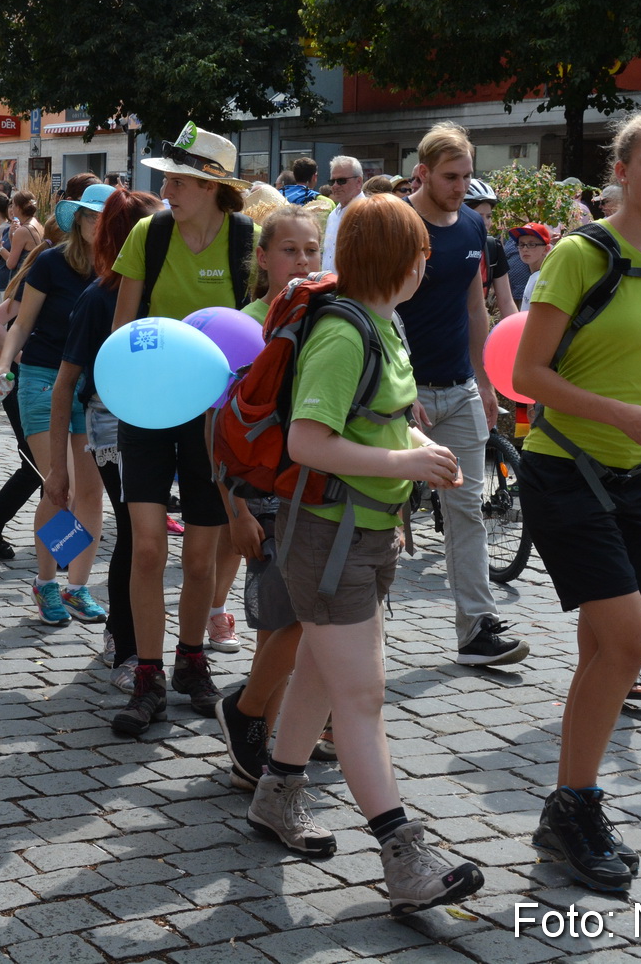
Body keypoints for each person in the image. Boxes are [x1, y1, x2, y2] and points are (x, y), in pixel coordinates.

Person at [244, 193, 484, 916]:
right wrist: (409, 464)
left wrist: (418, 447)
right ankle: (402, 851)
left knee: (322, 670)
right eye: (420, 252)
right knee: (362, 695)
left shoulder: (381, 323)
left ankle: (275, 795)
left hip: (361, 532)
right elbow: (308, 441)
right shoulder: (347, 334)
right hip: (328, 535)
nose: (427, 262)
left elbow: (369, 425)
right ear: (398, 261)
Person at [512, 109, 641, 893]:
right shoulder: (579, 252)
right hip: (565, 469)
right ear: (624, 171)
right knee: (631, 647)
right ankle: (579, 801)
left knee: (604, 650)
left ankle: (569, 810)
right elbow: (529, 375)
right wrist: (624, 414)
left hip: (638, 475)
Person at [107, 123, 255, 734]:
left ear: (212, 186)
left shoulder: (249, 240)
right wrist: (114, 394)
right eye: (166, 177)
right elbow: (124, 326)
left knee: (200, 557)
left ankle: (191, 661)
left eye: (178, 179)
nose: (165, 188)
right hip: (146, 405)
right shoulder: (151, 232)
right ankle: (147, 675)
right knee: (146, 545)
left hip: (216, 413)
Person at [395, 124, 527, 668]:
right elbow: (378, 308)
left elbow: (477, 309)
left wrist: (487, 381)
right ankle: (355, 635)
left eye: (469, 175)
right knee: (375, 517)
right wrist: (399, 389)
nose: (462, 186)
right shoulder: (398, 224)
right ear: (422, 173)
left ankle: (476, 628)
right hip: (401, 393)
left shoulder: (473, 223)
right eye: (451, 177)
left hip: (460, 389)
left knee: (467, 508)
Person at [215, 202, 322, 783]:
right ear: (262, 257)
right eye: (290, 250)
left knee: (308, 629)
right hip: (263, 496)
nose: (302, 261)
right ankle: (252, 742)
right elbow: (220, 433)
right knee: (279, 628)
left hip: (318, 492)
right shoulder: (246, 326)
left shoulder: (326, 317)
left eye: (311, 250)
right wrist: (235, 511)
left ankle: (280, 736)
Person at [43, 188, 164, 689]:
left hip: (150, 416)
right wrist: (55, 467)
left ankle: (71, 584)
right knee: (78, 504)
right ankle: (49, 581)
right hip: (90, 412)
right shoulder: (85, 286)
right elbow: (60, 379)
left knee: (114, 515)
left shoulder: (159, 288)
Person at [0, 184, 109, 627]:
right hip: (42, 380)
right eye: (92, 216)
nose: (100, 224)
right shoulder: (53, 261)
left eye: (107, 216)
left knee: (92, 493)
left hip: (94, 387)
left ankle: (78, 587)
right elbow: (17, 326)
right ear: (78, 219)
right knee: (62, 488)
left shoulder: (120, 268)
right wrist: (3, 364)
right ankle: (46, 582)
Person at [463, 182, 519, 318]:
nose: (485, 223)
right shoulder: (445, 245)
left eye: (488, 216)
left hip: (477, 323)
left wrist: (517, 333)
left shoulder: (492, 247)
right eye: (478, 216)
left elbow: (506, 302)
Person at [320, 155, 365, 272]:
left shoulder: (369, 213)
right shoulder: (333, 215)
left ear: (358, 182)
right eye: (332, 181)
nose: (335, 186)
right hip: (330, 286)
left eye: (341, 181)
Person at [511, 223, 552, 308]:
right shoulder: (535, 276)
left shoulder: (543, 279)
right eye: (521, 244)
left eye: (532, 244)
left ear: (546, 249)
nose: (525, 249)